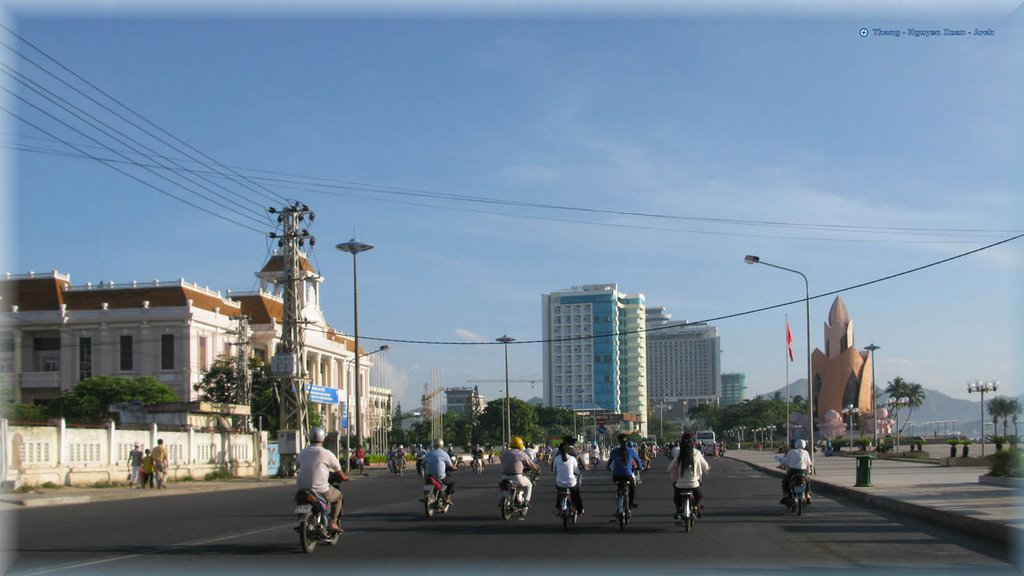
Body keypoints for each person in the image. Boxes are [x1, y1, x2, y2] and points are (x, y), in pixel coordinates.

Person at [296, 426, 348, 532]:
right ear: (323, 439)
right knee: (338, 496)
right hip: (320, 489)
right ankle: (333, 522)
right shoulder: (326, 453)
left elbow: (297, 466)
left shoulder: (303, 452)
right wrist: (344, 478)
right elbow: (339, 471)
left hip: (302, 488)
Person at [668, 433, 710, 518]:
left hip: (680, 484)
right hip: (694, 484)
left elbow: (670, 468)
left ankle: (679, 509)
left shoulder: (679, 454)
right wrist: (707, 469)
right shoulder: (696, 453)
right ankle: (695, 507)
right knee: (700, 496)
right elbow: (705, 466)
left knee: (676, 497)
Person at [501, 437, 539, 508]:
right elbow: (532, 465)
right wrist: (535, 470)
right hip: (517, 477)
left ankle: (504, 498)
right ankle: (526, 501)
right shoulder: (521, 454)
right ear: (520, 445)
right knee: (529, 484)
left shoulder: (505, 453)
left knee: (502, 486)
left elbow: (502, 461)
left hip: (504, 477)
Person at [607, 433, 641, 509]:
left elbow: (609, 462)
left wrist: (608, 468)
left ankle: (619, 500)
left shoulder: (614, 451)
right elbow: (638, 461)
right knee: (632, 488)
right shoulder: (631, 451)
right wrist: (639, 467)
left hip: (616, 476)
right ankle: (630, 504)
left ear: (618, 441)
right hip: (627, 476)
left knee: (619, 487)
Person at [552, 435, 585, 516]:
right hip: (571, 479)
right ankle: (580, 510)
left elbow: (554, 469)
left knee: (559, 491)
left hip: (559, 482)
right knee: (576, 493)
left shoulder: (558, 454)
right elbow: (578, 468)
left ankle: (558, 506)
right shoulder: (575, 451)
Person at [780, 439, 814, 504]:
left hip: (792, 471)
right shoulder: (806, 452)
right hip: (802, 472)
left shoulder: (791, 452)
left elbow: (785, 461)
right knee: (807, 482)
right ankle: (807, 495)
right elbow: (809, 463)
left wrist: (782, 464)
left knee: (785, 482)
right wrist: (808, 471)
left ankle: (786, 495)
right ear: (804, 445)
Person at [423, 438, 456, 504]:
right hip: (439, 476)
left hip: (428, 475)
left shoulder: (428, 454)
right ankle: (447, 497)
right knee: (452, 481)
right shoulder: (444, 454)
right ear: (442, 445)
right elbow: (451, 465)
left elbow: (423, 464)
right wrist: (455, 468)